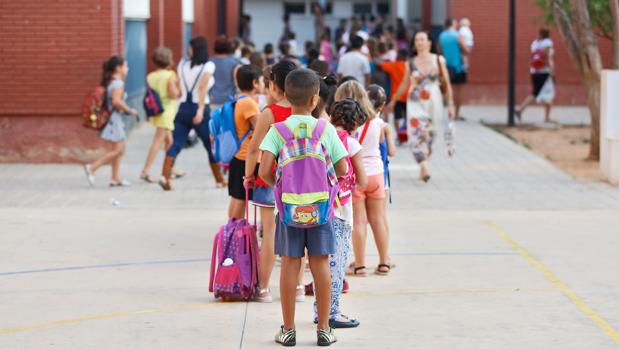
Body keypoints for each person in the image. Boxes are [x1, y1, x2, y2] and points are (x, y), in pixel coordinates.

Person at [258, 69, 347, 347]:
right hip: (320, 208)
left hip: (288, 209)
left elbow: (263, 170)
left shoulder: (278, 131)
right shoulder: (325, 128)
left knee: (290, 264)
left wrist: (280, 188)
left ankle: (288, 329)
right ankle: (323, 329)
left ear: (285, 95)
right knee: (320, 264)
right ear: (315, 98)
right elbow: (343, 167)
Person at [244, 61, 297, 303]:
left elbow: (254, 149)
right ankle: (296, 287)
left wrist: (248, 175)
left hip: (270, 178)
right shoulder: (306, 110)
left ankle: (264, 288)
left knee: (269, 234)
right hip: (300, 180)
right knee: (299, 231)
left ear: (274, 85)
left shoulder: (269, 112)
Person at [312, 96, 367, 329]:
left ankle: (319, 309)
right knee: (337, 263)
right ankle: (332, 311)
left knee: (320, 262)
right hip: (340, 210)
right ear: (355, 123)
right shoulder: (350, 143)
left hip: (316, 205)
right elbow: (362, 180)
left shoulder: (322, 134)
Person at [334, 81, 392, 278]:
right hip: (377, 174)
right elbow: (381, 143)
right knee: (378, 219)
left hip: (357, 175)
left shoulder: (347, 124)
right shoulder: (377, 122)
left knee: (359, 222)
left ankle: (359, 265)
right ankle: (384, 261)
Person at [159, 37, 224, 190]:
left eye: (190, 47)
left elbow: (180, 89)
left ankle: (164, 176)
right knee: (210, 145)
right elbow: (202, 88)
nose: (188, 50)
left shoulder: (182, 64)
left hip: (182, 108)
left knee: (176, 143)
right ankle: (219, 180)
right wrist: (200, 110)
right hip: (199, 109)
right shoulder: (208, 66)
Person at [392, 31, 455, 182]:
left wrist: (451, 104)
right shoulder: (410, 63)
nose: (419, 42)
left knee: (430, 135)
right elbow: (404, 84)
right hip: (415, 102)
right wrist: (393, 100)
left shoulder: (438, 60)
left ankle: (424, 161)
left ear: (429, 43)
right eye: (416, 40)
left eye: (422, 39)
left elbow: (446, 82)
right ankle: (424, 166)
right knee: (416, 133)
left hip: (434, 101)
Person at [84, 56, 138, 187]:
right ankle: (92, 167)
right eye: (125, 66)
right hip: (115, 120)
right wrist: (130, 110)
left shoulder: (112, 82)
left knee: (118, 149)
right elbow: (117, 101)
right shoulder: (118, 84)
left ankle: (115, 178)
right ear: (118, 68)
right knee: (119, 150)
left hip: (114, 119)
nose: (127, 68)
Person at [140, 48, 181, 183]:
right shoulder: (170, 75)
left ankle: (171, 168)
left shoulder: (151, 76)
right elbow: (173, 94)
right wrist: (179, 87)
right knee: (157, 142)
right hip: (167, 111)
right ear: (168, 60)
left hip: (156, 111)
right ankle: (145, 170)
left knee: (169, 142)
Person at [227, 64, 263, 219]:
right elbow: (262, 128)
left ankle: (231, 232)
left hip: (239, 156)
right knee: (240, 199)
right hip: (247, 157)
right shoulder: (249, 103)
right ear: (255, 83)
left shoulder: (239, 99)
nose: (263, 84)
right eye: (261, 81)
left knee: (237, 198)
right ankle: (235, 235)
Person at [516, 28, 555, 123]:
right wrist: (552, 68)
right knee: (542, 93)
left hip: (534, 71)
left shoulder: (535, 43)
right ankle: (521, 109)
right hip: (544, 72)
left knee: (538, 93)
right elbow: (548, 56)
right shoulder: (547, 43)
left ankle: (547, 117)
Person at [438, 19, 469, 119]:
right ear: (452, 24)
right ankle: (456, 113)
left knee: (446, 89)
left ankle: (445, 111)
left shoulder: (441, 36)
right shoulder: (457, 35)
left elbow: (439, 50)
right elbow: (466, 49)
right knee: (458, 91)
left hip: (446, 66)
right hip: (458, 66)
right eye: (455, 22)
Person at [383, 49, 410, 133]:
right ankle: (406, 133)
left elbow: (381, 65)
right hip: (408, 95)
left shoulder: (393, 65)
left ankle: (399, 134)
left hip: (396, 95)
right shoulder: (408, 66)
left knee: (397, 117)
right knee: (408, 116)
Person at [210, 36, 241, 109]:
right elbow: (237, 83)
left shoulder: (209, 62)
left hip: (212, 99)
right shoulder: (235, 62)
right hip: (229, 100)